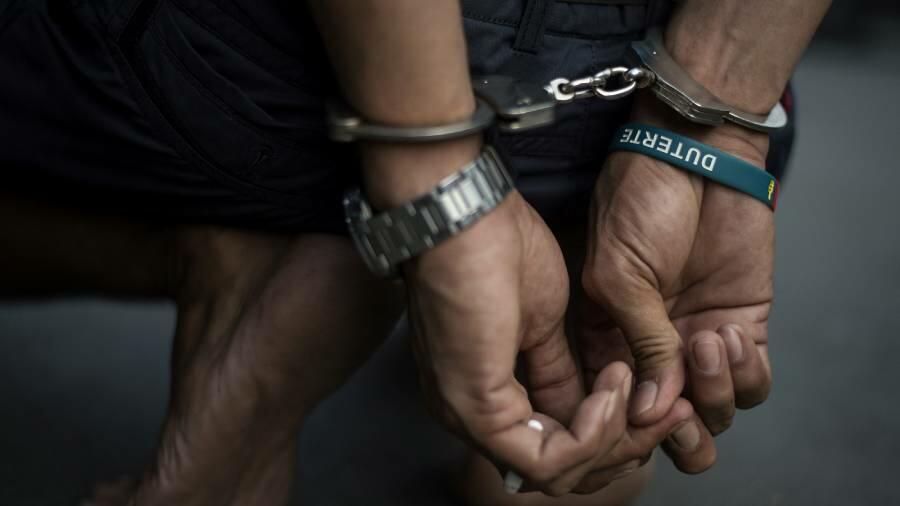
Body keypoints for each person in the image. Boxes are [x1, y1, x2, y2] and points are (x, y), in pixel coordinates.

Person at [0, 0, 829, 504]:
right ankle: (485, 257)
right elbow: (720, 77)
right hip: (643, 93)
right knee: (569, 456)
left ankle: (291, 253)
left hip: (250, 89)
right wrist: (708, 125)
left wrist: (434, 184)